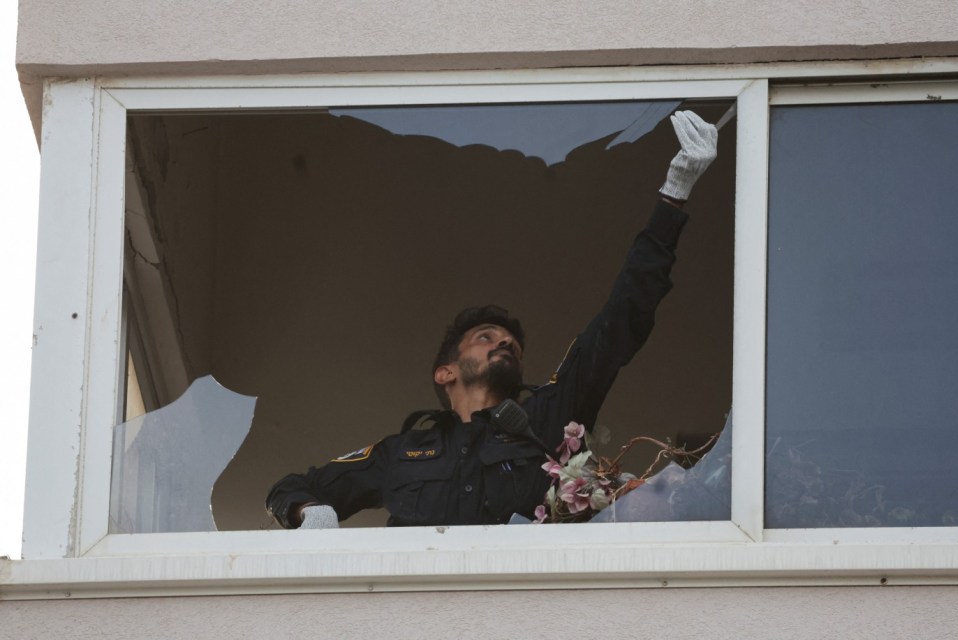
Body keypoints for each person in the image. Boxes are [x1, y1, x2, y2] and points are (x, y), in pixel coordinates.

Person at [265, 110, 718, 529]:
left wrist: (673, 196)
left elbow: (621, 318)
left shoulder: (548, 417)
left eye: (512, 345)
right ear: (445, 372)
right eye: (486, 338)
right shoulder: (400, 454)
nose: (503, 344)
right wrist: (310, 510)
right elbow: (290, 488)